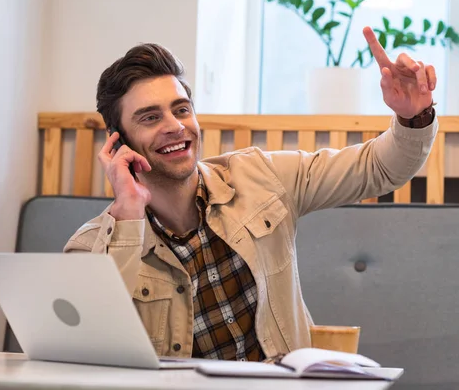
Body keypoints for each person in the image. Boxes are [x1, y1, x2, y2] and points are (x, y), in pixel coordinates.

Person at [64, 26, 438, 362]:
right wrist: (128, 217)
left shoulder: (262, 177)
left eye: (182, 109)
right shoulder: (90, 248)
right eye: (150, 117)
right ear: (118, 142)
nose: (175, 127)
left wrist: (413, 116)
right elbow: (83, 353)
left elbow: (378, 168)